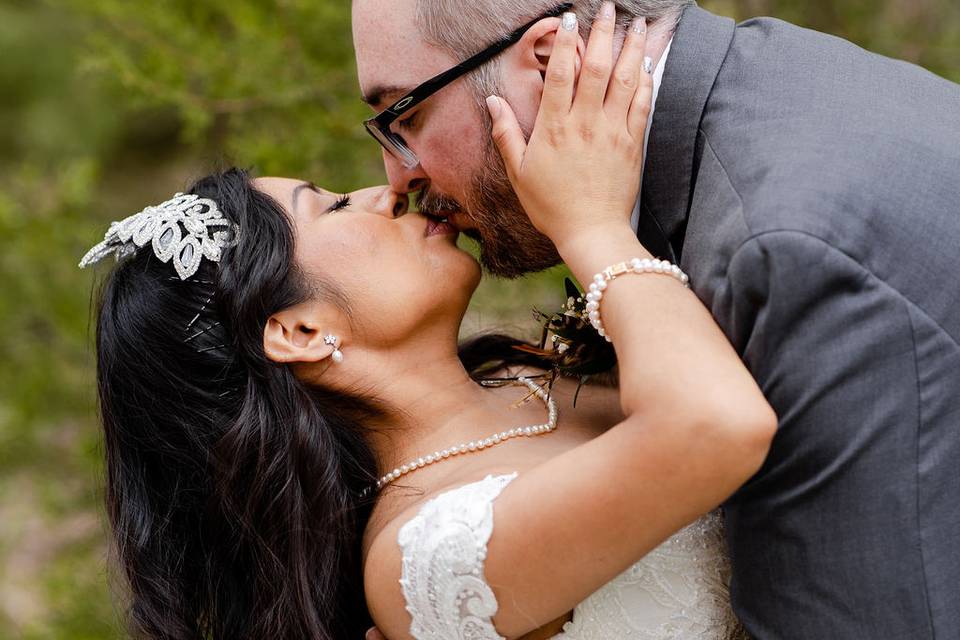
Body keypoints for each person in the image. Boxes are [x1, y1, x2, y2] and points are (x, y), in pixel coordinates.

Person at [83, 13, 775, 639]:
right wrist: (589, 223)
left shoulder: (525, 377)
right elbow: (718, 425)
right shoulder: (427, 553)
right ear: (298, 331)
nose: (388, 190)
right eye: (331, 209)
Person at [353, 0, 960, 637]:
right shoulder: (778, 80)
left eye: (408, 115)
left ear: (551, 61)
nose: (399, 175)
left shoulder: (782, 252)